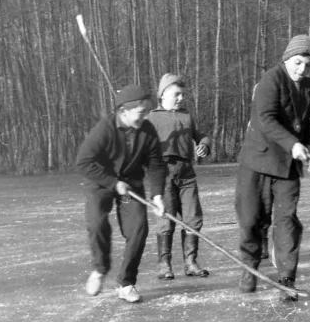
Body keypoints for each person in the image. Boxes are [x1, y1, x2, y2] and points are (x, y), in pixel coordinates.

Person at [235, 35, 310, 302]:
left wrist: (308, 150)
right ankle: (250, 267)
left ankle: (286, 279)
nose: (302, 69)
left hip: (288, 166)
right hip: (257, 160)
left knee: (286, 221)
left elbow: (305, 122)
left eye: (307, 64)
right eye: (297, 62)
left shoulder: (309, 87)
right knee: (251, 220)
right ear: (286, 59)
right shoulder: (271, 80)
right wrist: (293, 143)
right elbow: (265, 119)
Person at [75, 85, 166, 303]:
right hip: (101, 183)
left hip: (130, 187)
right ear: (124, 112)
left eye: (146, 112)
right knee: (96, 223)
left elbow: (156, 165)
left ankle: (126, 282)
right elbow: (83, 162)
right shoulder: (104, 129)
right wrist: (113, 183)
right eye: (141, 112)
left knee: (138, 229)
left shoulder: (147, 130)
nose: (145, 117)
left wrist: (157, 195)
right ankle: (100, 268)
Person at [147, 73, 211, 279]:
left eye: (183, 94)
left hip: (187, 174)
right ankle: (164, 265)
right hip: (164, 174)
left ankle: (191, 262)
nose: (181, 98)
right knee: (166, 219)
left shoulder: (186, 116)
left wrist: (204, 145)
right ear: (163, 94)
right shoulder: (152, 118)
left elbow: (202, 135)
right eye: (177, 94)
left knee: (193, 218)